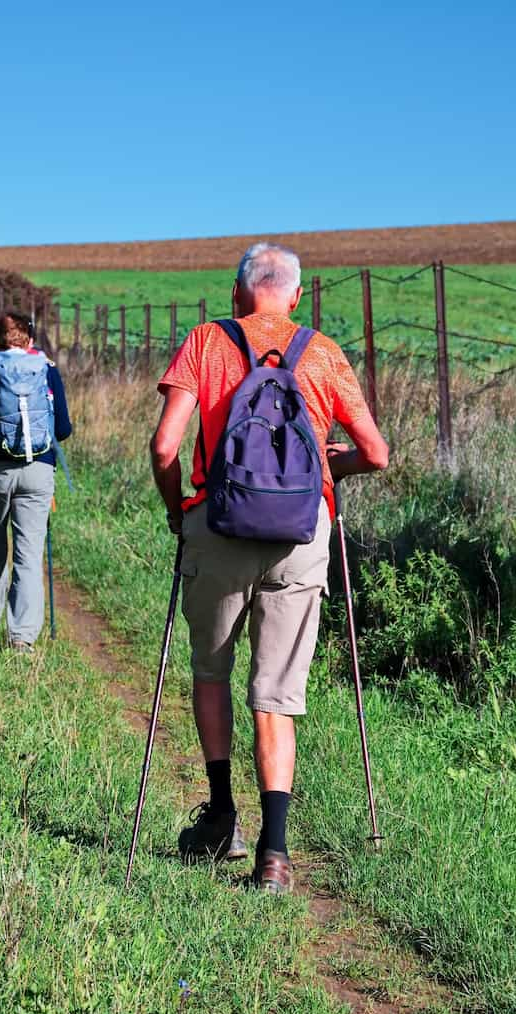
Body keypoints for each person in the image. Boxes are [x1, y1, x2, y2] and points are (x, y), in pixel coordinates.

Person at [148, 243, 389, 893]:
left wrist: (180, 512)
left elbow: (166, 445)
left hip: (217, 528)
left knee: (211, 671)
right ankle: (275, 855)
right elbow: (377, 452)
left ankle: (222, 816)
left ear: (237, 292)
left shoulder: (206, 340)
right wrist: (332, 468)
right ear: (297, 297)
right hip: (301, 534)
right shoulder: (323, 352)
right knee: (276, 697)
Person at [0, 312, 73, 651]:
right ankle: (21, 637)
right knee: (29, 554)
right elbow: (62, 429)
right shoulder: (47, 371)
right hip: (38, 470)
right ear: (30, 339)